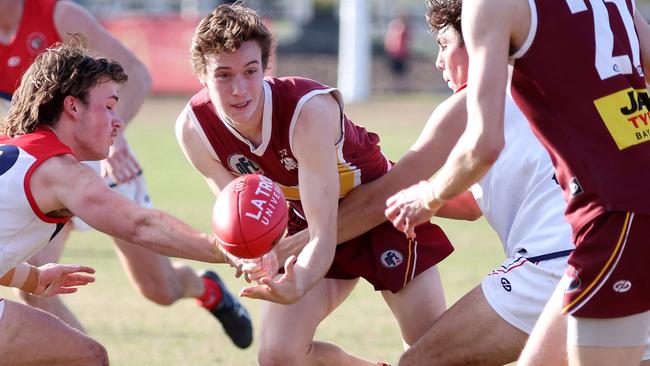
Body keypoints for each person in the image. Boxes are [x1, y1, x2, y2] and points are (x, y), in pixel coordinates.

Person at [175, 3, 454, 365]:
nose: (239, 89)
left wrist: (300, 281)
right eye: (223, 76)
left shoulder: (307, 111)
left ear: (267, 67)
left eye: (249, 71)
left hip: (381, 215)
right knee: (278, 355)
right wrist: (257, 255)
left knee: (433, 356)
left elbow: (323, 237)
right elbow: (244, 218)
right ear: (201, 75)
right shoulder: (194, 130)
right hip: (306, 220)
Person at [384, 0, 650, 365]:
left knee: (420, 361)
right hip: (615, 217)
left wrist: (428, 196)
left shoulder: (490, 6)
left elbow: (482, 146)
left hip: (613, 215)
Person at [0, 0, 252, 348]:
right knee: (37, 291)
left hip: (103, 159)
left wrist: (112, 139)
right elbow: (141, 225)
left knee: (159, 288)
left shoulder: (58, 14)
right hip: (45, 163)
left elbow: (137, 72)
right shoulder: (56, 171)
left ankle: (204, 288)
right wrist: (231, 249)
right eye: (109, 107)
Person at [384, 12, 410, 92]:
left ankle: (400, 88)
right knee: (394, 72)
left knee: (401, 73)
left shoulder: (404, 27)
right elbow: (389, 40)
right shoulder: (394, 26)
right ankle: (395, 88)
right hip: (394, 53)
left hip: (401, 54)